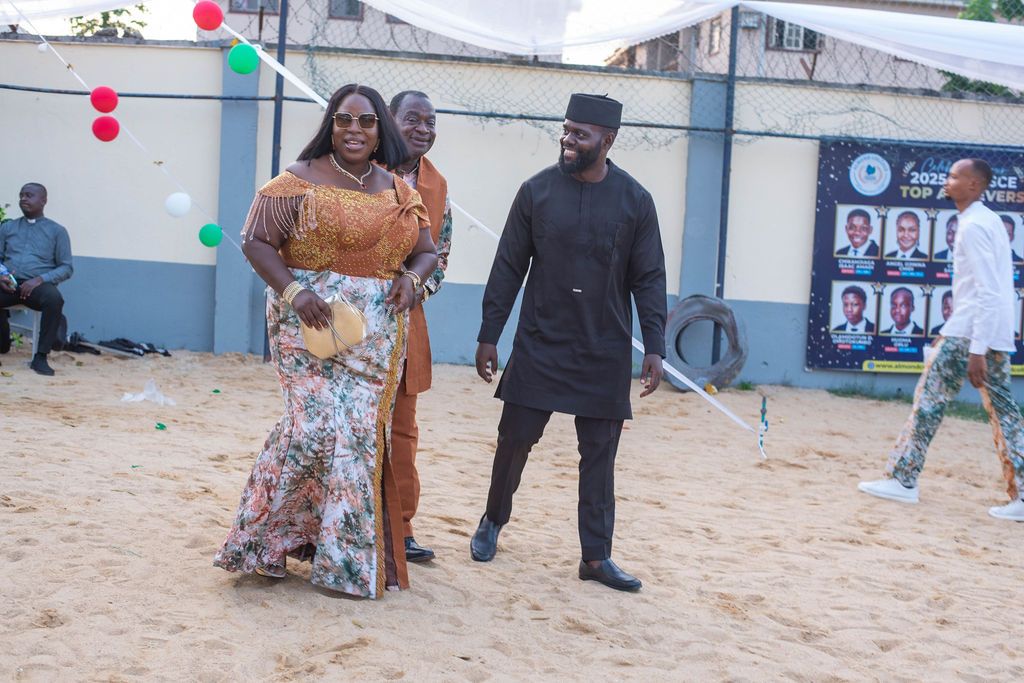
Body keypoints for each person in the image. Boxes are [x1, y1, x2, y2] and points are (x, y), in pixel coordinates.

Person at [213, 84, 439, 598]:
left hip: (374, 333)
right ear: (330, 125)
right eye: (344, 119)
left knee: (357, 435)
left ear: (380, 129)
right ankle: (266, 545)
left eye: (366, 121)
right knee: (310, 428)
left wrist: (414, 280)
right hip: (307, 324)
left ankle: (342, 563)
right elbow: (255, 241)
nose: (354, 130)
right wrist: (295, 293)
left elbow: (426, 252)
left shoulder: (400, 192)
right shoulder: (295, 181)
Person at [470, 93, 667, 592]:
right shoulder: (535, 191)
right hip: (540, 341)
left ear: (608, 140)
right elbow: (508, 267)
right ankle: (493, 520)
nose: (568, 140)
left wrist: (655, 345)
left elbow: (649, 277)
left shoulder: (635, 201)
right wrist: (490, 333)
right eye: (566, 129)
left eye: (580, 133)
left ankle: (596, 557)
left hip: (605, 347)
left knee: (600, 454)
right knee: (514, 439)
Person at [859, 158, 1024, 521]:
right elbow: (982, 291)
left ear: (974, 185)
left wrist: (976, 350)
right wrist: (952, 332)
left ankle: (903, 479)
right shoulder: (986, 219)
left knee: (929, 400)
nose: (946, 181)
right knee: (1004, 412)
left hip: (973, 335)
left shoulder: (974, 226)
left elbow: (987, 290)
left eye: (953, 176)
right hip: (982, 330)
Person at [387, 90, 453, 564]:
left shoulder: (437, 185)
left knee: (403, 431)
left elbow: (440, 258)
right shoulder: (358, 169)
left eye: (431, 123)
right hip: (346, 322)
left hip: (405, 322)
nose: (423, 130)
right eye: (412, 119)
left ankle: (400, 528)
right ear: (389, 120)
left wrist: (412, 290)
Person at [0, 182, 73, 376]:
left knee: (54, 299)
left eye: (29, 195)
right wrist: (1, 277)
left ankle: (40, 357)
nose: (23, 199)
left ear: (43, 201)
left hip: (38, 286)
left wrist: (39, 280)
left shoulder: (57, 231)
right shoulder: (7, 228)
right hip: (9, 283)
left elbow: (66, 267)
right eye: (21, 195)